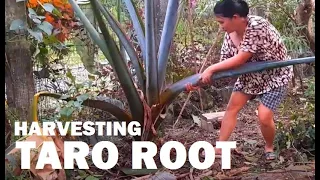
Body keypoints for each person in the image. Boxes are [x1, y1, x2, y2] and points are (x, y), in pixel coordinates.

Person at [186, 0, 293, 161]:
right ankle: (221, 148)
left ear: (235, 17)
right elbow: (226, 65)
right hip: (249, 77)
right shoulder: (229, 35)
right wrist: (200, 82)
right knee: (231, 109)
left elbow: (240, 59)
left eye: (222, 22)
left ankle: (269, 147)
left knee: (264, 115)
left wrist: (210, 69)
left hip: (275, 76)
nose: (220, 26)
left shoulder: (257, 26)